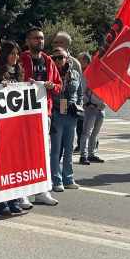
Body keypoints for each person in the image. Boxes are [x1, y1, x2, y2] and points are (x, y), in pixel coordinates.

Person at [0, 41, 30, 216]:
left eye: (17, 53)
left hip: (15, 125)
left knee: (14, 165)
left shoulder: (20, 72)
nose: (15, 56)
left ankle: (13, 199)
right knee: (1, 164)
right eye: (12, 53)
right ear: (4, 54)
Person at [20, 27, 62, 206]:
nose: (40, 41)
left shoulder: (48, 61)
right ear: (28, 41)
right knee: (23, 153)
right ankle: (21, 193)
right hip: (23, 113)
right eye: (36, 38)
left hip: (45, 112)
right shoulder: (21, 59)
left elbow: (59, 85)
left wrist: (53, 86)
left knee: (42, 153)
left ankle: (41, 191)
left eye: (42, 38)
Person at [49, 46, 82, 192]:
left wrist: (79, 106)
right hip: (57, 114)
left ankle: (68, 178)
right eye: (54, 58)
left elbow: (80, 92)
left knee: (69, 149)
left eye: (60, 57)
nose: (58, 60)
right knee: (56, 150)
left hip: (71, 115)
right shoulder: (50, 74)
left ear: (67, 58)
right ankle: (56, 180)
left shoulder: (75, 73)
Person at [77, 51, 105, 166]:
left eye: (80, 60)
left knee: (95, 133)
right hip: (91, 107)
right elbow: (81, 92)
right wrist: (87, 103)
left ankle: (91, 154)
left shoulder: (101, 74)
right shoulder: (86, 75)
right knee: (86, 133)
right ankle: (83, 156)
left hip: (101, 108)